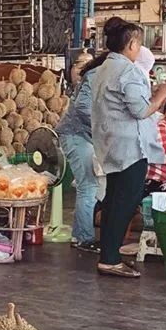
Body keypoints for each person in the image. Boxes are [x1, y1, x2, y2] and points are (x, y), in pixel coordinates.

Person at [91, 21, 166, 278]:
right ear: (131, 44)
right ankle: (110, 258)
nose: (140, 48)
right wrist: (163, 93)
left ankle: (109, 255)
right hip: (130, 146)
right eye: (139, 43)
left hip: (112, 143)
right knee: (124, 202)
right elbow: (140, 110)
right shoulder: (127, 70)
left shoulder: (104, 67)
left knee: (114, 200)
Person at [58, 51, 105, 252]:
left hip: (86, 136)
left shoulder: (103, 76)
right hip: (75, 135)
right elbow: (83, 107)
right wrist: (104, 125)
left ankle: (80, 236)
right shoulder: (96, 75)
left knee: (91, 185)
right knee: (88, 185)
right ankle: (83, 238)